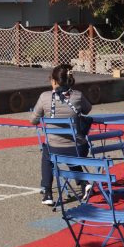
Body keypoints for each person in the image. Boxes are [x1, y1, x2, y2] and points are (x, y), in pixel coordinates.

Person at [30, 63, 92, 206]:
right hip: (78, 148)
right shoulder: (77, 95)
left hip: (55, 148)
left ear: (54, 81)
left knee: (47, 154)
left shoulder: (45, 97)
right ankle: (83, 183)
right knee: (70, 152)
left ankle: (47, 192)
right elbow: (87, 110)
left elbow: (33, 121)